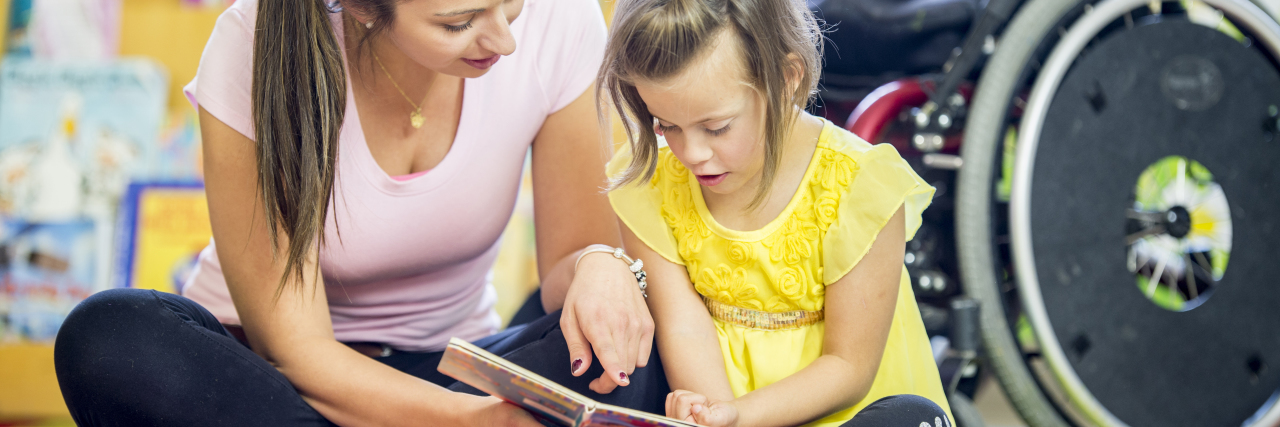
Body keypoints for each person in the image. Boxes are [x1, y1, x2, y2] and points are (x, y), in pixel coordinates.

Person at [52, 0, 665, 425]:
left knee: (626, 348)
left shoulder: (562, 19)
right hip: (270, 387)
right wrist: (474, 423)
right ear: (365, 7)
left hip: (452, 368)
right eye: (459, 22)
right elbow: (298, 351)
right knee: (108, 338)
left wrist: (599, 266)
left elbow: (565, 266)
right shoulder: (252, 44)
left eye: (510, 4)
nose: (503, 38)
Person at [598, 0, 955, 425]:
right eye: (666, 125)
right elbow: (682, 325)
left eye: (717, 127)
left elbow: (849, 366)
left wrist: (739, 416)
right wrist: (713, 414)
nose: (691, 153)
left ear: (787, 78)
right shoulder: (653, 182)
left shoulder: (858, 186)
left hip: (854, 411)